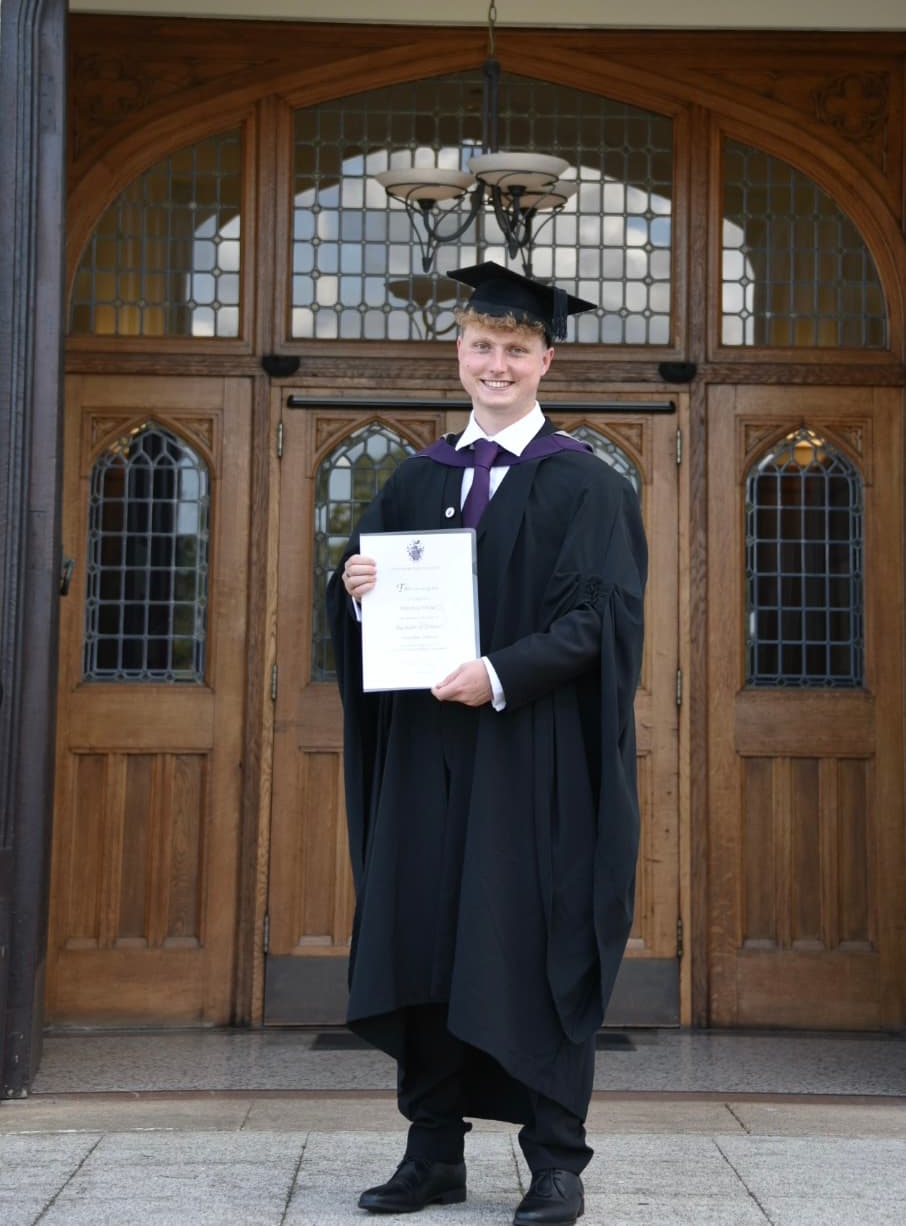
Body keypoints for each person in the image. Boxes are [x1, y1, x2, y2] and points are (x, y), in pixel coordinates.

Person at [327, 262, 648, 1225]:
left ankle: (555, 1162)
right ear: (457, 354)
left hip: (532, 765)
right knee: (422, 938)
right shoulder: (414, 479)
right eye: (480, 347)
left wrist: (499, 674)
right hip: (427, 760)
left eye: (515, 349)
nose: (496, 363)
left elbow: (602, 624)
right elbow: (365, 605)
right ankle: (432, 1156)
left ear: (547, 358)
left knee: (535, 943)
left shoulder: (586, 486)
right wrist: (349, 590)